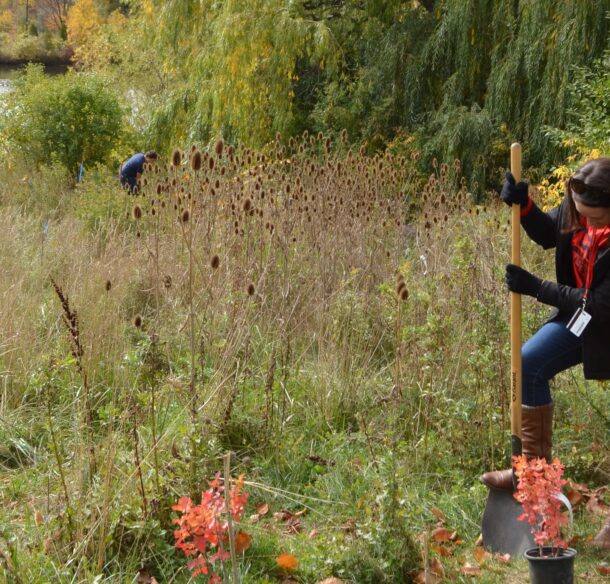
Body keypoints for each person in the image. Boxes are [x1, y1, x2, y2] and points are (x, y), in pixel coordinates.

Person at [480, 157, 610, 550]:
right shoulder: (576, 204)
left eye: (595, 218)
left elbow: (601, 306)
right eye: (579, 213)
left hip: (603, 316)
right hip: (581, 317)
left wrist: (536, 287)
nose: (584, 222)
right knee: (530, 361)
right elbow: (550, 231)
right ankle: (533, 483)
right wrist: (524, 206)